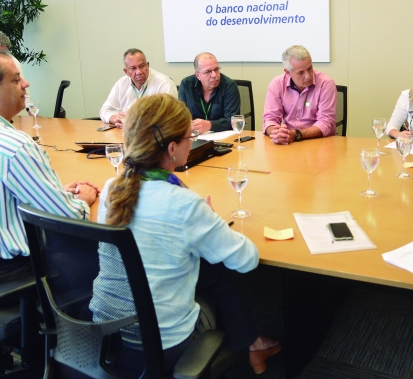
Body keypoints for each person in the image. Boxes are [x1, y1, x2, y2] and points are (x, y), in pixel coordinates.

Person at [89, 94, 281, 374]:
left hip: (105, 337)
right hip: (164, 344)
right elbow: (247, 260)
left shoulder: (112, 188)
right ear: (172, 149)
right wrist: (211, 220)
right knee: (215, 270)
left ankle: (254, 344)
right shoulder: (183, 203)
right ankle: (252, 345)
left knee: (203, 265)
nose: (193, 141)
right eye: (190, 136)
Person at [0, 47, 99, 290]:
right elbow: (68, 217)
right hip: (13, 273)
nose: (26, 83)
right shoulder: (14, 146)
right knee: (104, 250)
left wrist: (49, 193)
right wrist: (83, 200)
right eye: (16, 79)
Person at [263, 45, 336, 144]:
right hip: (289, 142)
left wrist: (295, 134)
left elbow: (326, 123)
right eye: (301, 73)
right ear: (287, 72)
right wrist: (277, 133)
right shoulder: (277, 84)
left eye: (310, 68)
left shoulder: (326, 84)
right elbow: (270, 119)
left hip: (319, 142)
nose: (308, 76)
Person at [100, 48, 177, 128]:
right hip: (125, 134)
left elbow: (169, 116)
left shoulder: (164, 83)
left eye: (142, 66)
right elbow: (105, 110)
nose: (139, 72)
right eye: (133, 68)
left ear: (147, 65)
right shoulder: (121, 84)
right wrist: (115, 119)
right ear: (126, 71)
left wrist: (134, 122)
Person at [178, 52, 240, 134]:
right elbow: (180, 116)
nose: (214, 75)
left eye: (216, 69)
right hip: (195, 137)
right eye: (208, 72)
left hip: (222, 138)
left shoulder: (229, 86)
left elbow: (233, 120)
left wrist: (209, 125)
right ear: (197, 75)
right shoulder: (186, 84)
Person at [0, 31, 31, 111]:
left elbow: (23, 87)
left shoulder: (12, 62)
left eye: (3, 52)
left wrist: (29, 109)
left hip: (10, 109)